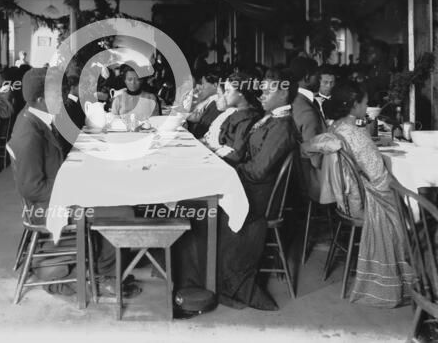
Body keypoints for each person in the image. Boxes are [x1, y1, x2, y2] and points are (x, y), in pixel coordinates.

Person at [173, 68, 300, 311]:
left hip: (257, 196)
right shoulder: (271, 118)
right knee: (189, 200)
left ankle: (200, 284)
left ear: (284, 94)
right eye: (261, 88)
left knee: (194, 208)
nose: (261, 92)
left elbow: (258, 171)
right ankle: (189, 279)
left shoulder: (282, 127)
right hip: (248, 185)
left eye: (268, 89)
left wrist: (227, 171)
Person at [8, 68, 140, 297]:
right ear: (41, 99)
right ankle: (105, 277)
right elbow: (31, 188)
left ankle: (102, 264)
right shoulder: (29, 133)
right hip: (46, 207)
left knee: (112, 194)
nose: (63, 97)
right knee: (122, 212)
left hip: (56, 196)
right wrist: (78, 191)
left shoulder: (35, 117)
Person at [303, 82, 414, 307]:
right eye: (364, 103)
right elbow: (380, 178)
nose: (367, 107)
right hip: (362, 203)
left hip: (344, 200)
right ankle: (418, 269)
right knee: (414, 202)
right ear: (354, 105)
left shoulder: (336, 128)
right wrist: (405, 192)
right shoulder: (355, 133)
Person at [289, 57, 327, 200]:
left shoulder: (294, 100)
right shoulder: (306, 110)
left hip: (296, 179)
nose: (320, 79)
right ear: (307, 77)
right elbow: (316, 160)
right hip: (312, 181)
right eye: (317, 75)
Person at [204, 73, 262, 164]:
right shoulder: (234, 113)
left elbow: (237, 155)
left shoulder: (248, 119)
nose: (225, 95)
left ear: (240, 93)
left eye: (228, 91)